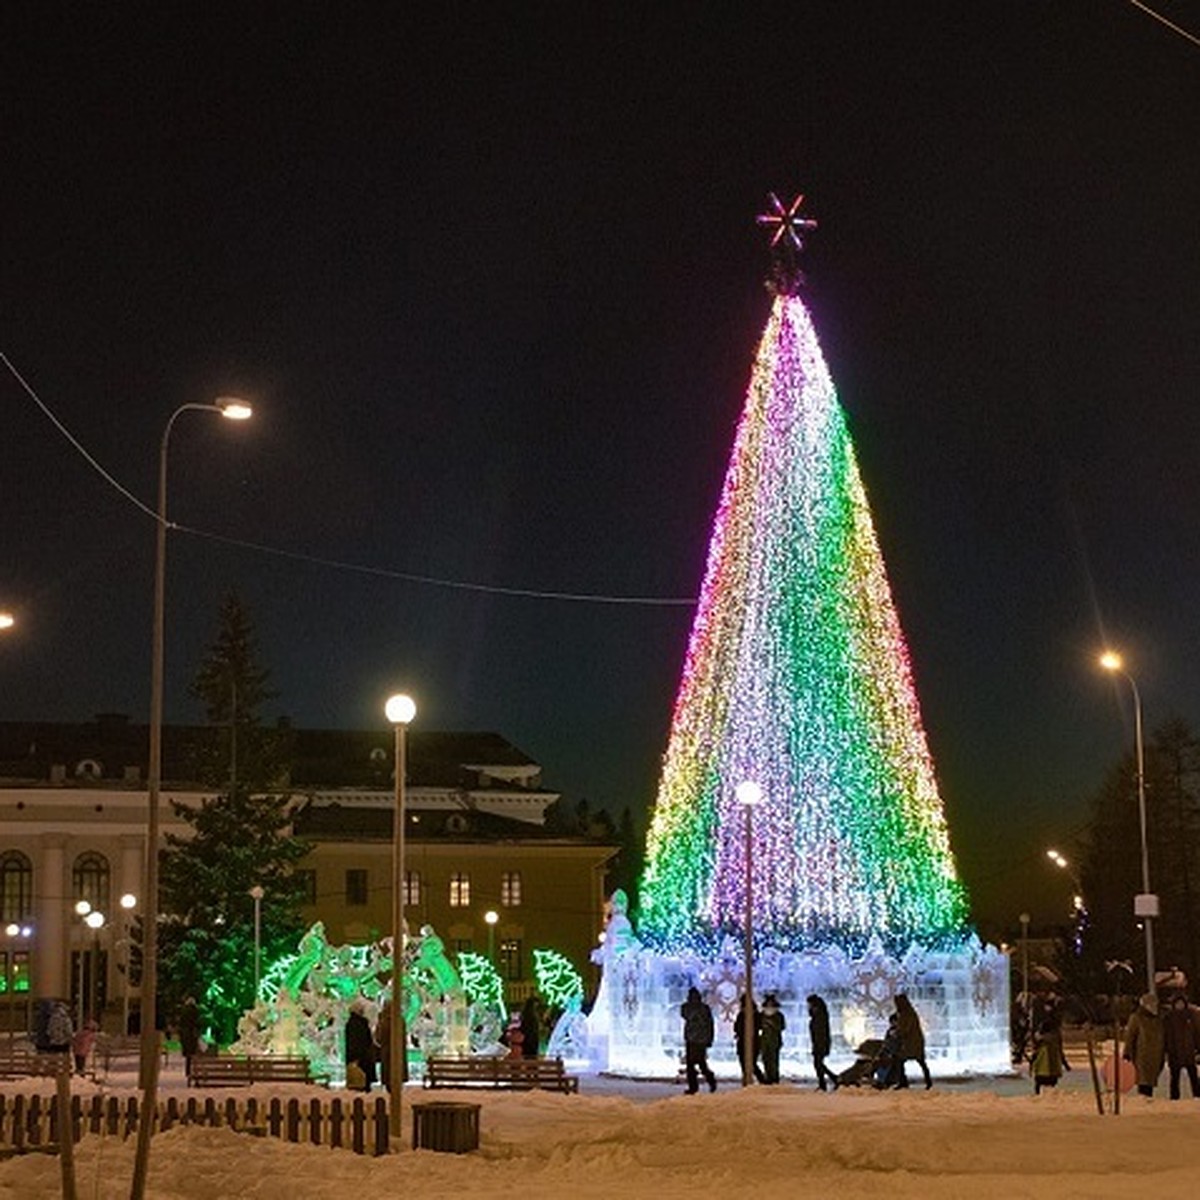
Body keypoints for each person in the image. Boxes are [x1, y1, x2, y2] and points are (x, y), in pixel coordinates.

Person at [1123, 992, 1165, 1097]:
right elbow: (1130, 1036)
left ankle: (1147, 1098)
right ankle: (1143, 1099)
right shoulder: (1137, 1018)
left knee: (1150, 1079)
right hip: (1142, 1055)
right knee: (1143, 1080)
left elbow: (1163, 1036)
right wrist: (1127, 1053)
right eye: (1150, 1004)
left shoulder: (1158, 1019)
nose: (1153, 1006)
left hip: (1156, 1055)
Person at [1161, 994, 1200, 1100]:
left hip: (1188, 1052)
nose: (1180, 1005)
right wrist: (1165, 1049)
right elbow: (1165, 1035)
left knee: (1193, 1075)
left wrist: (1198, 1047)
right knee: (1175, 1077)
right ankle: (1174, 1097)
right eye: (1178, 1003)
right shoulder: (1168, 1018)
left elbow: (1196, 1033)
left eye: (1182, 1003)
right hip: (1174, 1052)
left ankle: (1197, 1094)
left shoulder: (1191, 1016)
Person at [679, 986, 717, 1094]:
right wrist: (709, 1039)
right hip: (695, 1040)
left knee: (699, 1064)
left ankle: (704, 1083)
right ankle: (701, 1084)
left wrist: (709, 1039)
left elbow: (709, 1024)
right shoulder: (695, 1008)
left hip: (697, 1040)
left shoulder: (700, 1008)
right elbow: (710, 1025)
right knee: (694, 1064)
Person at [894, 993, 932, 1089]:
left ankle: (903, 1082)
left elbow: (905, 1028)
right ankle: (928, 1082)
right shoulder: (908, 1012)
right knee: (920, 1062)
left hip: (912, 1043)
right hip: (913, 1042)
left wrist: (897, 1033)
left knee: (900, 1061)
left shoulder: (907, 1014)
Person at [1030, 1013, 1069, 1094]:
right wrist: (1065, 1064)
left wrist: (1031, 1065)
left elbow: (1034, 1053)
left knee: (1039, 1083)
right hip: (1052, 1069)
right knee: (1051, 1083)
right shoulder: (1055, 1040)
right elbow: (1060, 1052)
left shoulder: (1040, 1040)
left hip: (1041, 1068)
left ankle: (1038, 1094)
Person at [806, 994, 837, 1091]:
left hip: (821, 1044)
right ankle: (830, 1080)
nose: (808, 1007)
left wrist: (819, 1045)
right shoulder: (819, 1015)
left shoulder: (820, 1016)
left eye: (809, 1004)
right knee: (818, 1064)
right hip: (818, 1043)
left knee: (818, 1064)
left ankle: (829, 1080)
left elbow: (821, 1032)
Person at [344, 1003, 378, 1092]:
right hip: (362, 1056)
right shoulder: (360, 1023)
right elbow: (361, 1041)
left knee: (359, 1080)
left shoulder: (351, 1023)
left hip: (357, 1056)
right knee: (363, 1079)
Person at [733, 995, 765, 1084]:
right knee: (751, 1064)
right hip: (752, 1041)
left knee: (748, 1064)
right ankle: (760, 1080)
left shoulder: (743, 1014)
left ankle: (758, 1081)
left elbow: (736, 1027)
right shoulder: (755, 1014)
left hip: (746, 1042)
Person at [759, 993, 785, 1084]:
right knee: (765, 1059)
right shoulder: (762, 1015)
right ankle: (768, 1076)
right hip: (764, 1040)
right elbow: (758, 1026)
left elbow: (782, 1027)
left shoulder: (778, 1015)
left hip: (775, 1040)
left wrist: (772, 1024)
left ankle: (774, 1077)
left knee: (774, 1060)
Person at [178, 995, 200, 1081]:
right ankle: (191, 1071)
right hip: (192, 1035)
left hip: (186, 1035)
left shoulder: (184, 1011)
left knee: (188, 1056)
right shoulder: (195, 1011)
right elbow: (197, 1022)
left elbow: (181, 1022)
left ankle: (188, 1071)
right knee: (192, 1055)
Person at [520, 994, 542, 1058]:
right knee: (531, 1057)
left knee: (529, 1058)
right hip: (531, 1041)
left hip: (528, 1041)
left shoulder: (526, 1015)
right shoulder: (531, 1016)